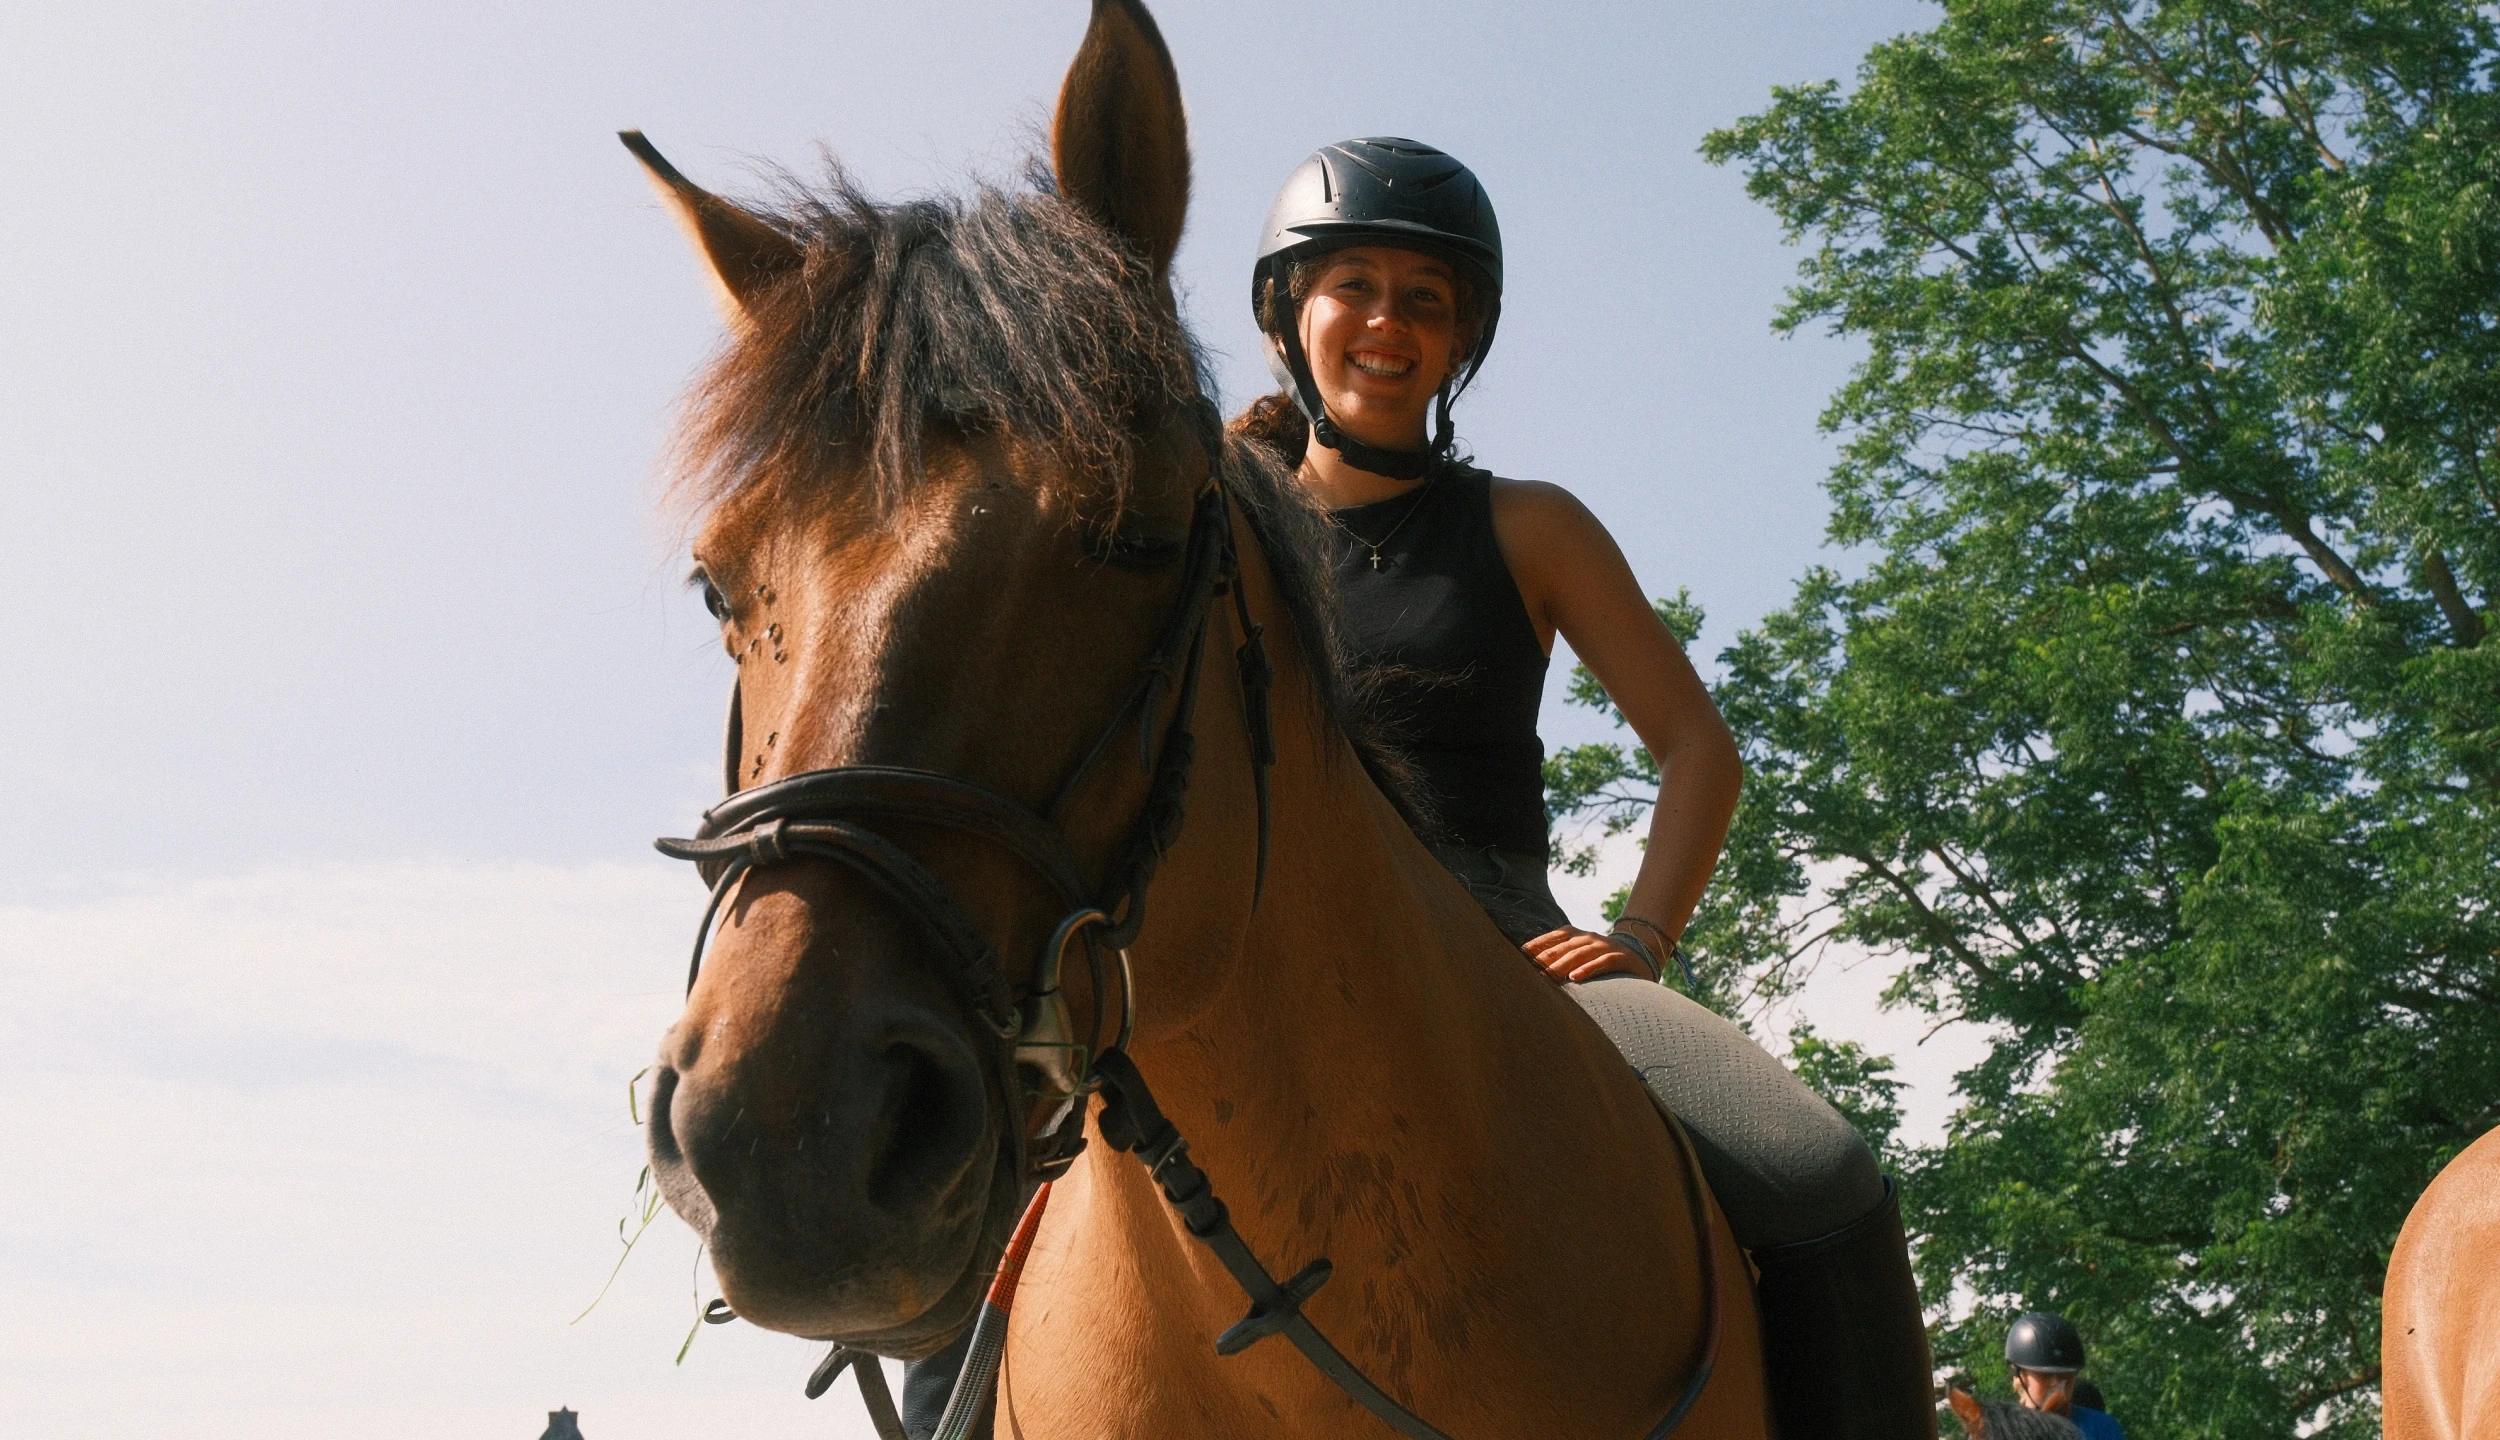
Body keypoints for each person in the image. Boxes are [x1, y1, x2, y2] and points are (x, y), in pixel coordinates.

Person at [1230, 136, 1935, 1440]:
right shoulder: (1213, 522)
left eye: (1426, 301)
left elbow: (1697, 752)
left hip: (1510, 957)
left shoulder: (1529, 527)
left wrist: (1638, 941)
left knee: (1819, 1172)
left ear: (1462, 342)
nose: (1389, 322)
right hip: (1246, 964)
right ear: (1291, 314)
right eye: (1356, 287)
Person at [2006, 1311, 2125, 1440]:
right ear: (2018, 1376)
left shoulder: (2102, 1428)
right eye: (2045, 1375)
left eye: (2066, 1375)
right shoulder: (2000, 1431)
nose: (2057, 1383)